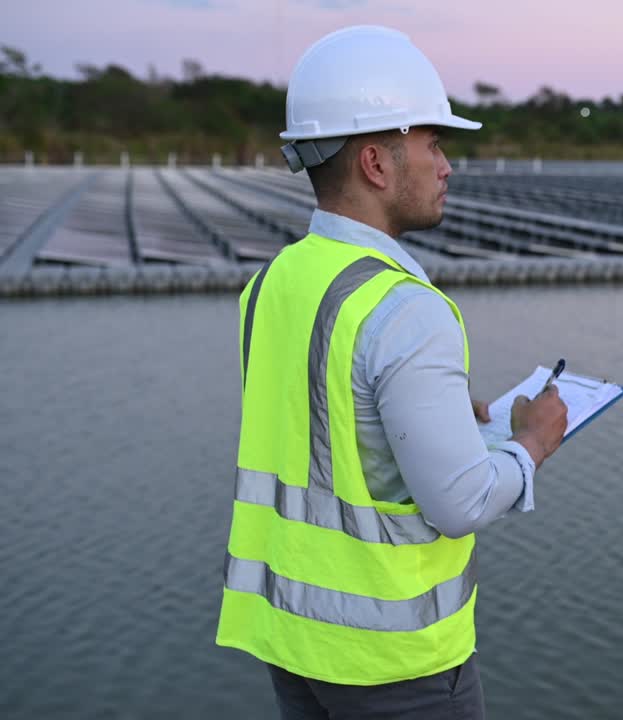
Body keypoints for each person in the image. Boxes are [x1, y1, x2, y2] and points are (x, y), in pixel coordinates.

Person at [215, 25, 568, 720]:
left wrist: (422, 412)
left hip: (296, 643)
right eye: (433, 144)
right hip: (396, 667)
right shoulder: (407, 311)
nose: (447, 166)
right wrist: (534, 442)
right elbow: (460, 503)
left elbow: (320, 427)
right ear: (376, 163)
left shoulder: (272, 282)